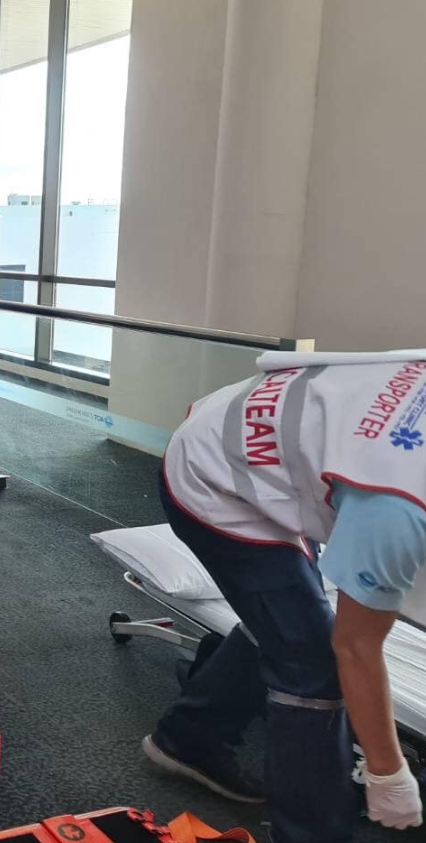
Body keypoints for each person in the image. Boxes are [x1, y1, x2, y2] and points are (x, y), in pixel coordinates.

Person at [145, 352, 426, 842]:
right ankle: (310, 833)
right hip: (213, 478)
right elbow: (355, 648)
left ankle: (189, 738)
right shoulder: (396, 504)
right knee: (313, 663)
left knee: (285, 618)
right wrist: (387, 772)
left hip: (269, 440)